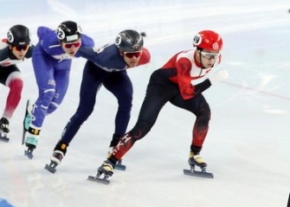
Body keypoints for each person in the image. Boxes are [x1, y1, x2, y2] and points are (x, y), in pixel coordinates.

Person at [93, 30, 223, 178]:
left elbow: (186, 88)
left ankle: (195, 154)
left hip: (180, 86)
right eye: (207, 55)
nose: (212, 60)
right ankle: (110, 162)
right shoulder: (184, 61)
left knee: (204, 112)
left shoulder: (214, 58)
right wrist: (210, 82)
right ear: (197, 50)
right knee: (142, 127)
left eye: (215, 55)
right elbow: (187, 93)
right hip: (161, 86)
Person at [46, 29, 150, 171]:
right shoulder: (105, 57)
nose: (134, 59)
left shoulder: (144, 56)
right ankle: (61, 147)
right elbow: (81, 50)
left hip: (115, 73)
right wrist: (59, 47)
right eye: (130, 55)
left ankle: (116, 144)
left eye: (137, 54)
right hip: (94, 72)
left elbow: (133, 54)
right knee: (85, 110)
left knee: (126, 100)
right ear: (120, 52)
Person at [23, 20, 94, 155]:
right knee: (48, 92)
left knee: (53, 105)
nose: (73, 49)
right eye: (68, 45)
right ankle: (33, 133)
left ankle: (33, 112)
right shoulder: (50, 42)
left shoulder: (88, 43)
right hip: (44, 59)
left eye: (76, 44)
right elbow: (41, 28)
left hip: (64, 66)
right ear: (60, 42)